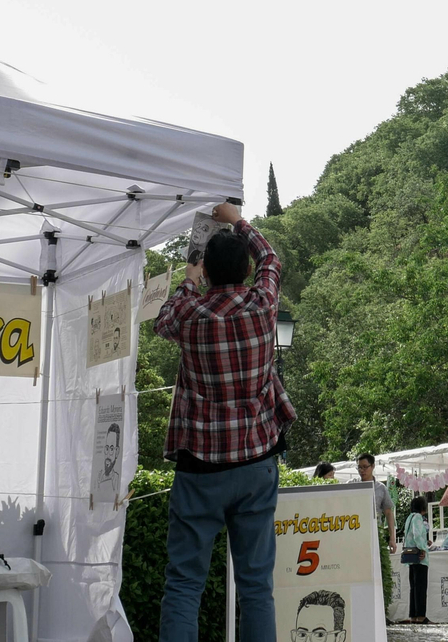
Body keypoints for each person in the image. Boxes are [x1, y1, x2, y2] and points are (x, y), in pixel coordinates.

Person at [155, 201, 296, 642]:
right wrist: (237, 220)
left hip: (199, 466)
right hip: (256, 461)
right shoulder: (262, 305)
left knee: (184, 583)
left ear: (209, 273)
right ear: (245, 271)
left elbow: (162, 322)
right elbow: (271, 258)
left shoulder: (189, 314)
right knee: (256, 588)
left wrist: (189, 279)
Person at [357, 452, 398, 552]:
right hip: (356, 533)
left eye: (365, 467)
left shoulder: (381, 488)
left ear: (372, 466)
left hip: (375, 534)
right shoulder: (352, 485)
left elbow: (388, 513)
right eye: (359, 467)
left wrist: (392, 538)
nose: (362, 470)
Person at [402, 496, 432, 625]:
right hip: (419, 557)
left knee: (413, 587)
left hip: (411, 556)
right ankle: (421, 616)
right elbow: (417, 534)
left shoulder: (410, 518)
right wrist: (423, 548)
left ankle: (413, 615)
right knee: (421, 586)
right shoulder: (418, 517)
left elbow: (410, 535)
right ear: (423, 508)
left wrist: (425, 541)